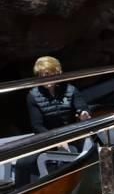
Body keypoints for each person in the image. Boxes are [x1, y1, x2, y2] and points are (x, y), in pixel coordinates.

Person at [14, 56, 91, 186]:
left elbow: (82, 108)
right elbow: (37, 126)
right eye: (41, 74)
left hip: (71, 137)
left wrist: (83, 114)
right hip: (47, 139)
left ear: (57, 72)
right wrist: (56, 141)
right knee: (22, 163)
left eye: (48, 74)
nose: (45, 77)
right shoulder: (32, 96)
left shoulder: (71, 90)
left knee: (67, 158)